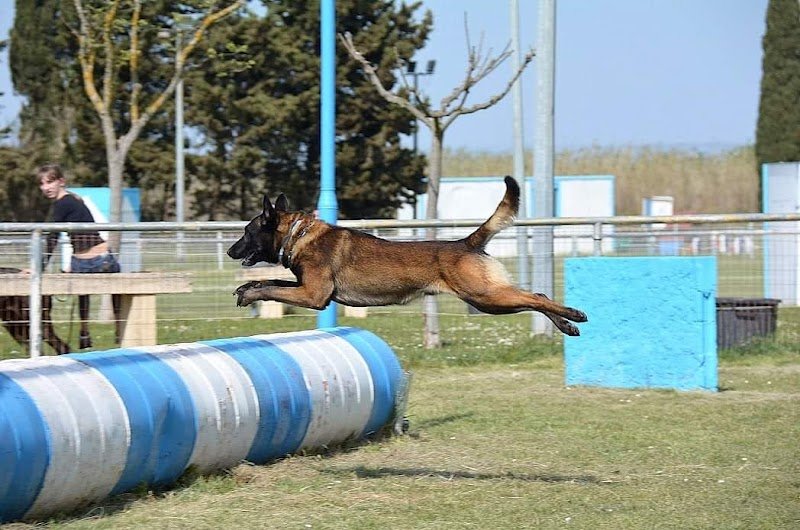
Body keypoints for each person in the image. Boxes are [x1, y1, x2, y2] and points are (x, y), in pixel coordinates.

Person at [37, 163, 121, 349]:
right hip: (99, 259)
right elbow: (57, 237)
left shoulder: (63, 203)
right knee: (117, 288)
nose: (46, 188)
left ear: (61, 182)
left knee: (86, 294)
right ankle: (118, 328)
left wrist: (38, 268)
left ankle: (85, 332)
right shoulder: (73, 200)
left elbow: (52, 237)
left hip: (88, 262)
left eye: (50, 182)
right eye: (42, 184)